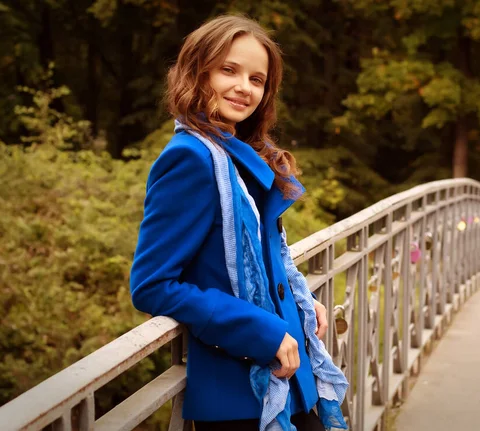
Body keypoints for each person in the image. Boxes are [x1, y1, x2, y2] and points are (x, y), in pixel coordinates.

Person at [130, 15, 348, 431]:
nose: (244, 87)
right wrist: (259, 332)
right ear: (198, 72)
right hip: (241, 394)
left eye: (257, 79)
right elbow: (152, 284)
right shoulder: (190, 159)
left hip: (287, 374)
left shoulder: (241, 153)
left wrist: (299, 302)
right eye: (228, 70)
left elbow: (265, 255)